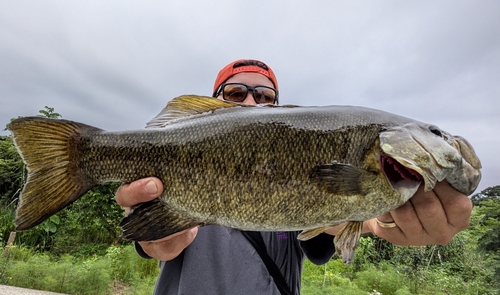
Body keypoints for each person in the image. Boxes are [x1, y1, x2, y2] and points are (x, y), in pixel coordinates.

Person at [115, 59, 473, 295]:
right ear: (212, 105)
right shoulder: (173, 166)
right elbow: (150, 238)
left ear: (278, 107)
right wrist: (153, 236)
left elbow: (329, 235)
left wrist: (386, 226)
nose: (251, 102)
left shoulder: (341, 179)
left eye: (265, 96)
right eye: (236, 93)